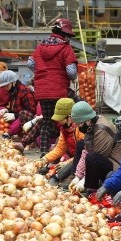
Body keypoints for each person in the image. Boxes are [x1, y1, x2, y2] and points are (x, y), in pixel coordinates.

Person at [27, 18, 78, 151]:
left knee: (46, 121)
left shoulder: (41, 46)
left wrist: (42, 74)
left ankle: (44, 153)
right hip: (59, 90)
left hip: (42, 91)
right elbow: (71, 72)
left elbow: (30, 64)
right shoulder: (66, 48)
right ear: (65, 35)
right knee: (67, 118)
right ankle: (67, 149)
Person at [67, 101, 121, 194]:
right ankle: (83, 182)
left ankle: (92, 189)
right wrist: (77, 177)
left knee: (92, 158)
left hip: (116, 166)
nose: (79, 127)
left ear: (88, 120)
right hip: (104, 159)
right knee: (82, 145)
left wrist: (84, 181)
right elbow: (85, 151)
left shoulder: (102, 129)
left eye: (80, 124)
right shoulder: (91, 126)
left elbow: (96, 158)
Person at [37, 98, 84, 175]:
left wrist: (67, 163)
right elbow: (60, 148)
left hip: (80, 158)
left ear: (69, 117)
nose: (58, 121)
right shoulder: (65, 129)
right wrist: (45, 159)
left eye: (61, 119)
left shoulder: (81, 129)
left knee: (62, 172)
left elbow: (83, 154)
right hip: (71, 155)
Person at [0, 70, 36, 146]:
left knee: (22, 114)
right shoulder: (12, 92)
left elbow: (31, 111)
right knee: (1, 110)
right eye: (4, 86)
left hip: (28, 122)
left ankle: (9, 133)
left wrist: (14, 115)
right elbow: (14, 108)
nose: (5, 88)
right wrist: (7, 110)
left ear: (14, 82)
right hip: (18, 119)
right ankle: (5, 132)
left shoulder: (25, 91)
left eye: (7, 85)